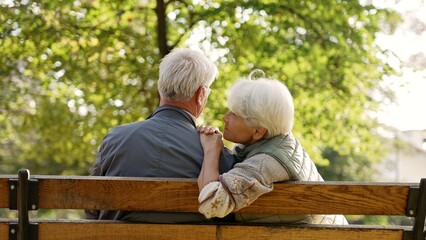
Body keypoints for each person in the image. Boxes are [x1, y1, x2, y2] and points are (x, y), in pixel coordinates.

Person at [86, 48, 236, 223]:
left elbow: (92, 205)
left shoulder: (115, 138)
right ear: (201, 94)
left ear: (160, 86)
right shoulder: (214, 152)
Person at [197, 73, 348, 224]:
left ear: (258, 131)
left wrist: (211, 150)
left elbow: (212, 204)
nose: (225, 118)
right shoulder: (278, 144)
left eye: (235, 114)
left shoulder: (267, 161)